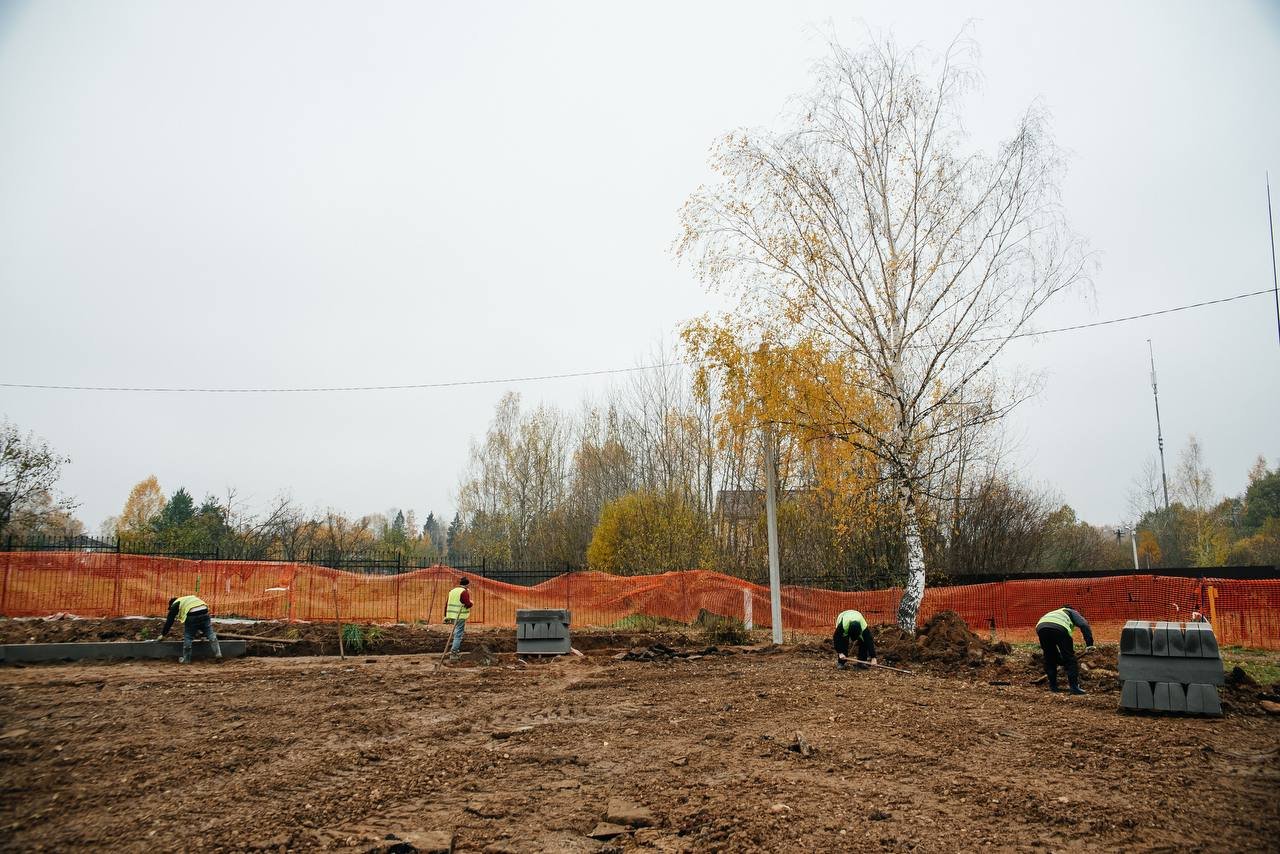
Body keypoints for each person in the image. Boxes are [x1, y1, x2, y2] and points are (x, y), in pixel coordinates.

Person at [1036, 605, 1094, 695]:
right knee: (1070, 658)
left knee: (1049, 657)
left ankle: (1053, 687)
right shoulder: (1071, 611)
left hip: (1041, 627)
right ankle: (1074, 688)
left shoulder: (1055, 612)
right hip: (1059, 628)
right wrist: (1089, 644)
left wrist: (1060, 660)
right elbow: (1084, 624)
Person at [159, 595, 222, 664]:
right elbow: (199, 621)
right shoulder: (188, 599)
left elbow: (169, 621)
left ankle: (186, 659)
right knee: (210, 633)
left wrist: (163, 634)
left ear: (171, 604)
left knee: (188, 636)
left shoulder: (175, 604)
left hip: (192, 615)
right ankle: (218, 653)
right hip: (204, 611)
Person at [443, 577, 473, 658]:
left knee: (456, 632)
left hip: (452, 615)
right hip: (460, 616)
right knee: (458, 634)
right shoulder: (464, 592)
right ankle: (454, 653)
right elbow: (467, 604)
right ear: (467, 584)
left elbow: (446, 603)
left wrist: (445, 616)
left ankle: (454, 649)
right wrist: (471, 603)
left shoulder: (452, 591)